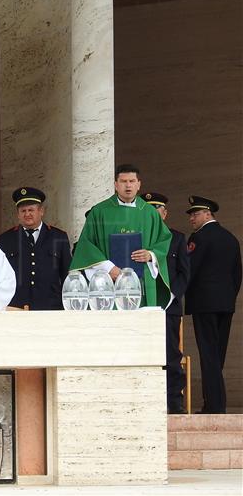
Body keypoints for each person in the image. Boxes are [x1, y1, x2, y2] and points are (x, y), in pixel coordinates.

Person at [70, 164, 172, 307]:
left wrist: (150, 255)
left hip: (142, 282)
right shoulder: (100, 211)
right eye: (123, 181)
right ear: (116, 185)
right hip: (108, 281)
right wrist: (108, 268)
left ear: (139, 185)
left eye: (132, 181)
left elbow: (164, 240)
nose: (128, 186)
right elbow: (86, 245)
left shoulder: (150, 213)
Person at [184, 195, 241, 414]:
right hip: (226, 304)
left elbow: (190, 269)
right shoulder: (230, 238)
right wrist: (227, 297)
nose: (192, 219)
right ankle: (214, 404)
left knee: (209, 355)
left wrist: (178, 291)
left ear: (208, 214)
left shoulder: (200, 238)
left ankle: (215, 407)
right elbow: (237, 275)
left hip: (204, 304)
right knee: (217, 355)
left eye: (195, 214)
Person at [142, 192, 190, 414]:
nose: (154, 214)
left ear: (165, 214)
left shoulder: (177, 238)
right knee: (142, 356)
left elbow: (184, 273)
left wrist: (171, 296)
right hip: (141, 308)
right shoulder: (137, 238)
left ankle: (174, 401)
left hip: (168, 308)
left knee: (170, 355)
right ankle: (147, 401)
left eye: (157, 210)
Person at [0, 187, 72, 310]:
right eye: (23, 211)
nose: (27, 214)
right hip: (16, 308)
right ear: (18, 214)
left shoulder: (58, 237)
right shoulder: (6, 239)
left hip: (50, 308)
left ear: (41, 211)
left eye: (31, 210)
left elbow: (66, 275)